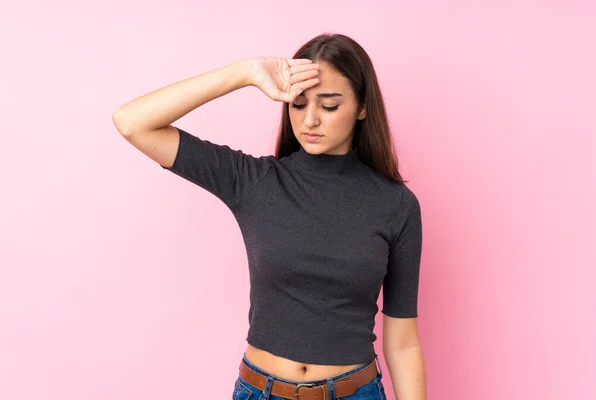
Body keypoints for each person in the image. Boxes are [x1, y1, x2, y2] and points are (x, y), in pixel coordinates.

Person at [112, 33, 426, 400]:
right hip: (261, 391)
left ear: (361, 107)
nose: (309, 120)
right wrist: (246, 72)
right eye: (297, 103)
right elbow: (132, 121)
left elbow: (403, 343)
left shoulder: (396, 205)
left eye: (328, 106)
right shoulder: (253, 181)